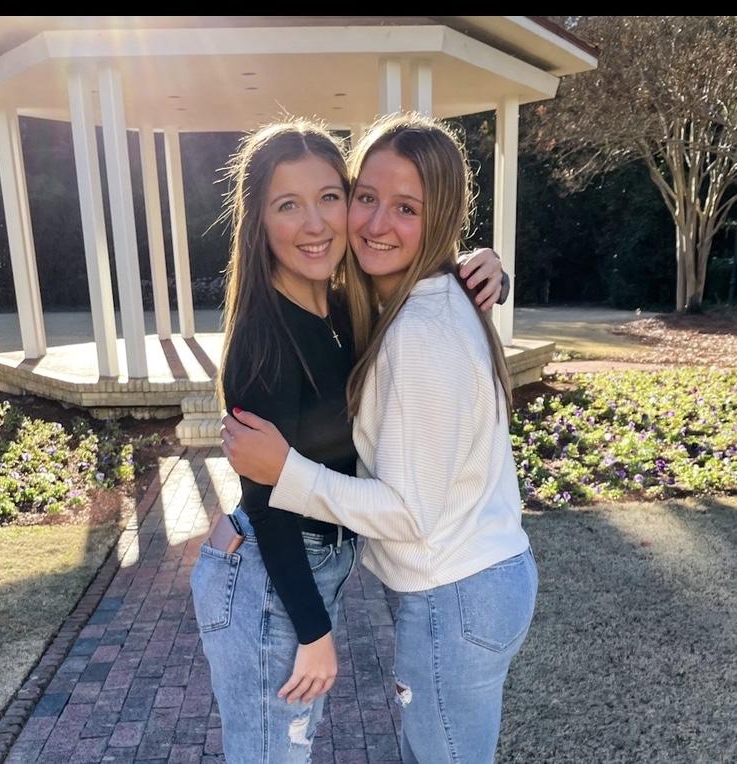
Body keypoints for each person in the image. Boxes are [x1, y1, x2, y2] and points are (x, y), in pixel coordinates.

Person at [221, 113, 538, 764]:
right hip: (471, 583)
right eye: (366, 197)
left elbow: (409, 513)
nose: (374, 224)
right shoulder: (386, 304)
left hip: (456, 591)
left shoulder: (419, 330)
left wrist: (287, 473)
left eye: (406, 208)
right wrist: (482, 269)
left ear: (439, 218)